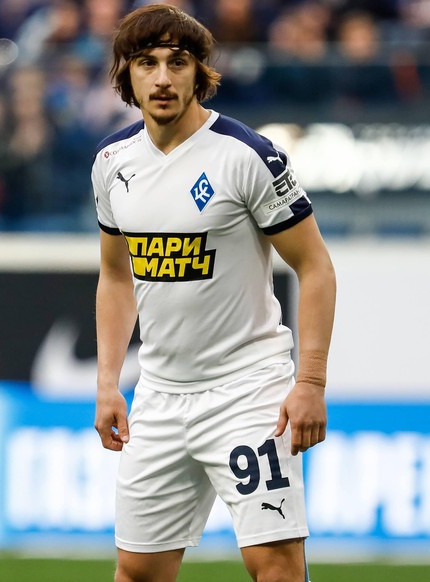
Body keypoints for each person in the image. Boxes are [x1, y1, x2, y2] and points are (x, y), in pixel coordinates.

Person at [92, 4, 336, 582]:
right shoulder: (111, 163)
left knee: (274, 567)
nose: (162, 77)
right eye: (146, 63)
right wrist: (107, 383)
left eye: (178, 63)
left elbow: (316, 266)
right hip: (160, 396)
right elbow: (115, 276)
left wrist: (311, 382)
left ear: (200, 72)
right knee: (137, 572)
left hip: (246, 391)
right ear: (125, 74)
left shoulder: (246, 155)